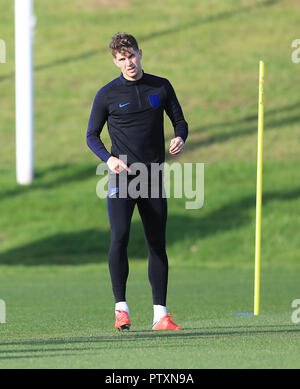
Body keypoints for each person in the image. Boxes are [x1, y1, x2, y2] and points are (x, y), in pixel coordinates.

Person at [87, 33, 188, 331]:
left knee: (157, 243)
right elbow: (91, 135)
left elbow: (179, 120)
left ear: (140, 54)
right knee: (120, 237)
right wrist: (108, 159)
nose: (128, 63)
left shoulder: (161, 86)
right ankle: (121, 309)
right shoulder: (107, 94)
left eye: (131, 56)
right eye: (121, 58)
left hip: (153, 176)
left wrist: (180, 136)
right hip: (122, 178)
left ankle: (161, 315)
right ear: (115, 61)